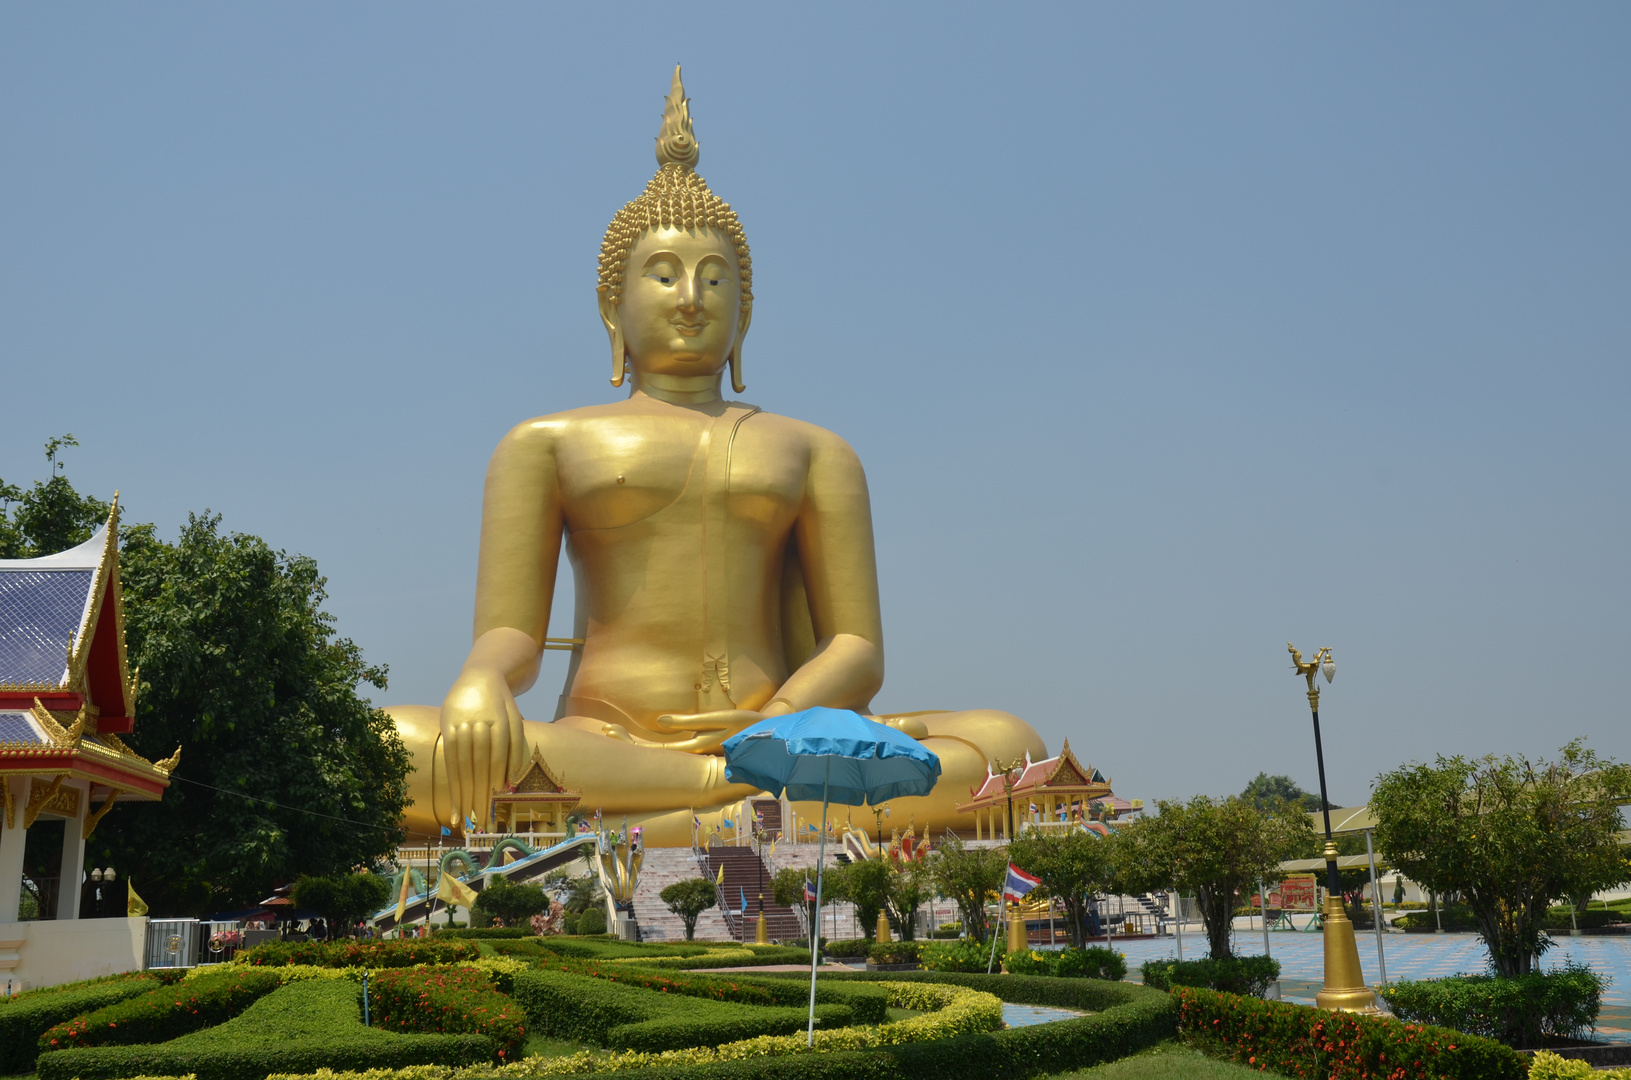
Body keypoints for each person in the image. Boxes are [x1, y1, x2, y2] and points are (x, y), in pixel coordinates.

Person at [386, 67, 1043, 845]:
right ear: (612, 305)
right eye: (661, 275)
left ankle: (691, 810)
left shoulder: (813, 450)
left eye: (715, 277)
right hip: (603, 743)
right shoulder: (546, 443)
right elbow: (513, 636)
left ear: (747, 308)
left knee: (1010, 746)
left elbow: (856, 649)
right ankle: (726, 802)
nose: (690, 297)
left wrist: (773, 725)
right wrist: (480, 681)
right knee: (386, 748)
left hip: (780, 737)